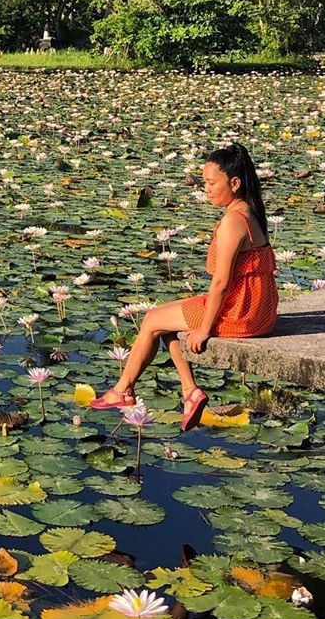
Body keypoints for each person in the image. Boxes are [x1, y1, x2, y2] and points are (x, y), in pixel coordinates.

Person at [90, 143, 278, 432]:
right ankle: (189, 391)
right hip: (257, 309)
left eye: (211, 183)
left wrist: (204, 328)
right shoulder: (252, 212)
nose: (206, 189)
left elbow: (221, 283)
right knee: (163, 316)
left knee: (152, 320)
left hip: (240, 313)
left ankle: (123, 391)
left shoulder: (233, 221)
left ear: (235, 183)